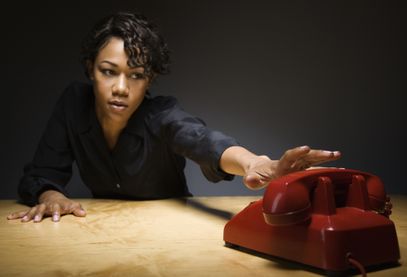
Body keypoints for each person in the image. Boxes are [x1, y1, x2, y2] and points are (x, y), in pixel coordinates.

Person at [7, 12, 340, 223]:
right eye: (108, 72)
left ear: (149, 80)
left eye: (136, 76)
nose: (121, 88)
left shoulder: (162, 114)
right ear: (90, 70)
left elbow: (202, 141)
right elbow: (42, 172)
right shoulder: (73, 103)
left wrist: (253, 163)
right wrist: (52, 197)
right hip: (101, 228)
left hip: (171, 228)